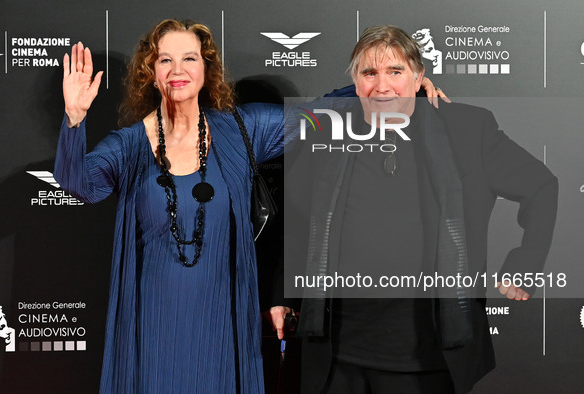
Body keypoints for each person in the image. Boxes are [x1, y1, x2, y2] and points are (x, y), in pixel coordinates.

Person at [55, 18, 446, 393]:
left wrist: (395, 90)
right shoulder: (129, 145)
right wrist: (74, 121)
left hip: (222, 318)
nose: (178, 69)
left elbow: (316, 115)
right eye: (165, 59)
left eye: (189, 58)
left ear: (206, 67)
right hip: (152, 321)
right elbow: (80, 185)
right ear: (150, 71)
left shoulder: (242, 130)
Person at [271, 25, 558, 393]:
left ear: (419, 76)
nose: (382, 85)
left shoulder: (468, 128)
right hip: (336, 356)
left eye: (396, 72)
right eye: (369, 73)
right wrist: (282, 294)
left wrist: (525, 264)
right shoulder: (328, 131)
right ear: (355, 82)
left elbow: (541, 185)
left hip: (430, 359)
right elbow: (296, 221)